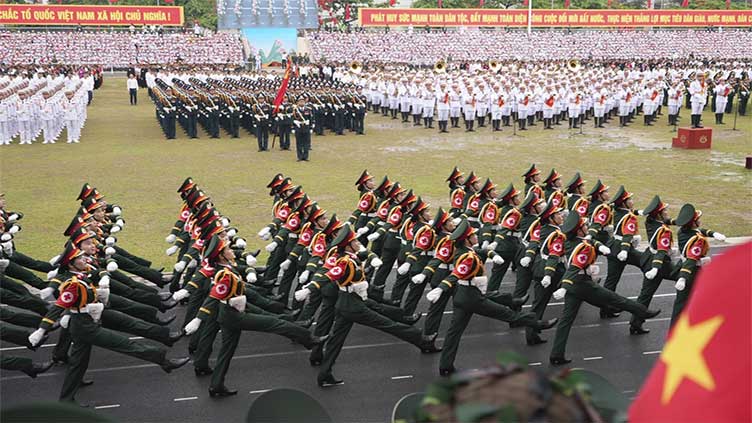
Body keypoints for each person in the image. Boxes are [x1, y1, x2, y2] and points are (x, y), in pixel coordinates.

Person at [435, 220, 558, 376]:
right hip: (472, 297)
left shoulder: (464, 251)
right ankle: (538, 323)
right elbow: (456, 274)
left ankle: (445, 366)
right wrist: (441, 287)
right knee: (507, 314)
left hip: (462, 295)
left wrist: (494, 254)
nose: (476, 236)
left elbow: (483, 251)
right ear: (466, 239)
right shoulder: (467, 257)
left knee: (454, 333)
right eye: (473, 234)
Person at [548, 213, 660, 365]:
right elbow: (574, 267)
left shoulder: (571, 242)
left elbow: (589, 241)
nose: (587, 227)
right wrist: (564, 286)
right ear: (579, 231)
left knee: (566, 321)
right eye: (584, 226)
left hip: (575, 287)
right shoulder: (583, 247)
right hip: (582, 284)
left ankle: (556, 354)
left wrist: (599, 245)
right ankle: (643, 312)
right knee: (616, 299)